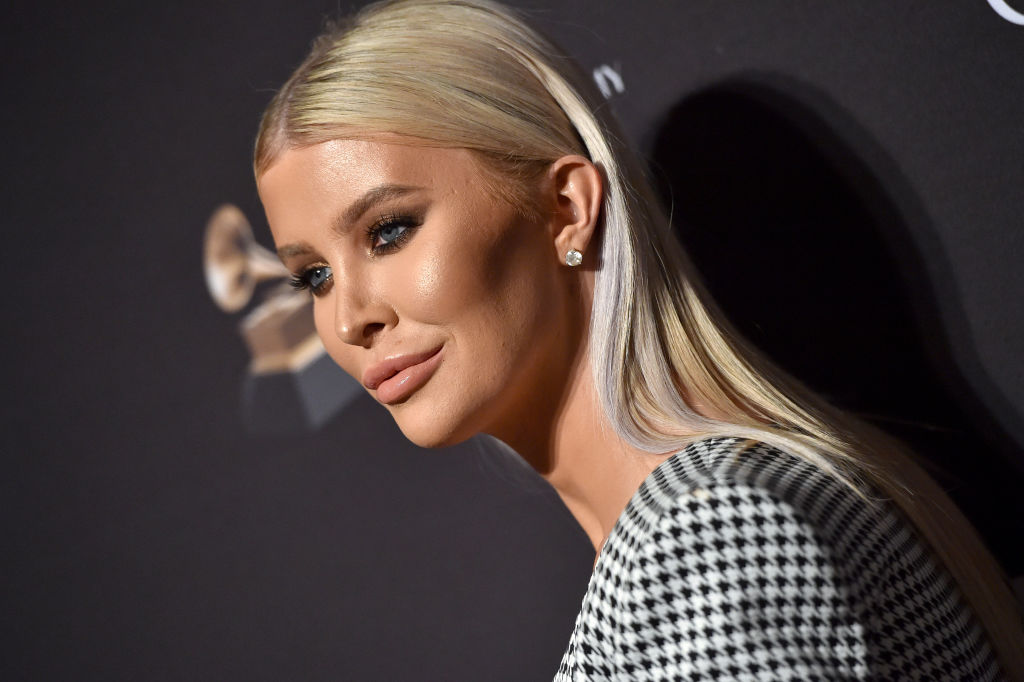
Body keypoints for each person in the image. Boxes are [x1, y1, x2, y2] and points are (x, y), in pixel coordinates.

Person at [253, 0, 1024, 678]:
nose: (349, 316)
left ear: (565, 208)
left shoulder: (709, 541)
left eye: (389, 230)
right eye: (313, 276)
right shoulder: (702, 522)